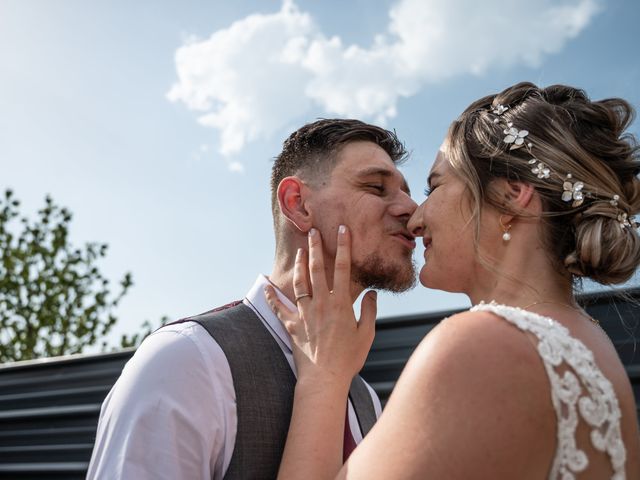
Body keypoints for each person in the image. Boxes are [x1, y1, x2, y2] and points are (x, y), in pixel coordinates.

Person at [266, 82, 640, 479]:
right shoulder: (593, 348)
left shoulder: (480, 343)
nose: (416, 216)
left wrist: (323, 377)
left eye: (435, 186)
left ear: (512, 196)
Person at [86, 119, 418, 479]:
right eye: (375, 187)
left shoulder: (365, 398)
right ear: (298, 204)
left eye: (406, 191)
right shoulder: (187, 360)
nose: (411, 209)